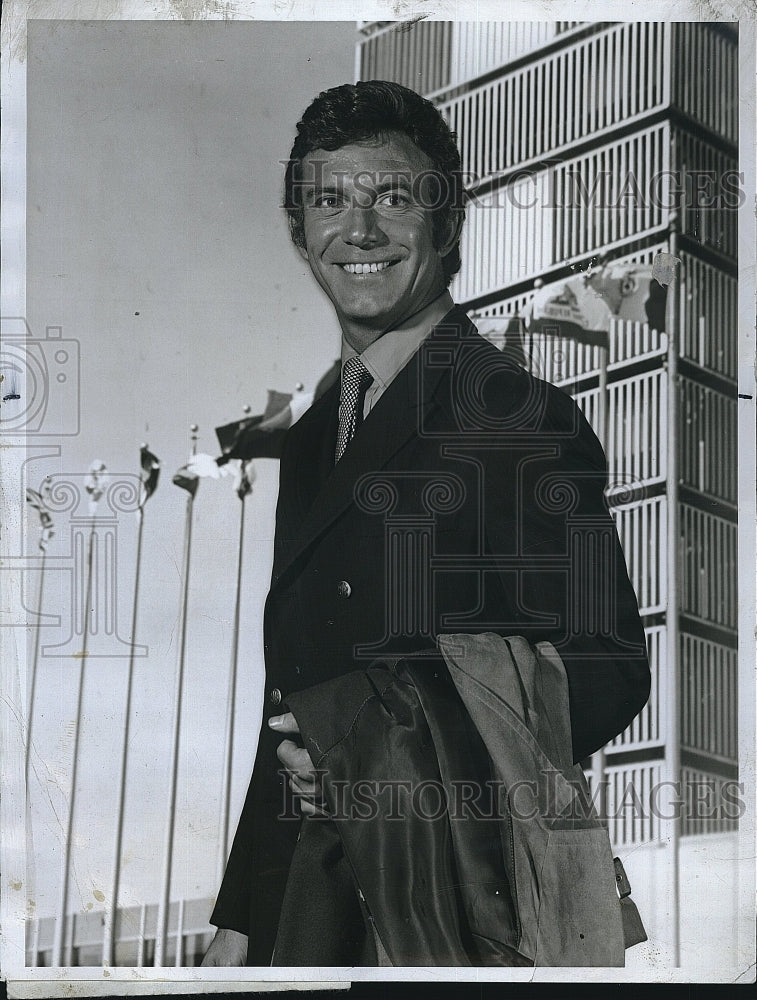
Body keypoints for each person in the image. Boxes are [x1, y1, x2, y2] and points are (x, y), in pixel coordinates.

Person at [202, 80, 650, 967]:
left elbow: (605, 666)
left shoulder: (513, 412)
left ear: (446, 226)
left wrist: (379, 762)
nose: (358, 231)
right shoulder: (311, 438)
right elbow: (292, 696)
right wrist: (242, 916)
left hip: (452, 903)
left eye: (393, 199)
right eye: (329, 200)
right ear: (300, 233)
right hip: (308, 901)